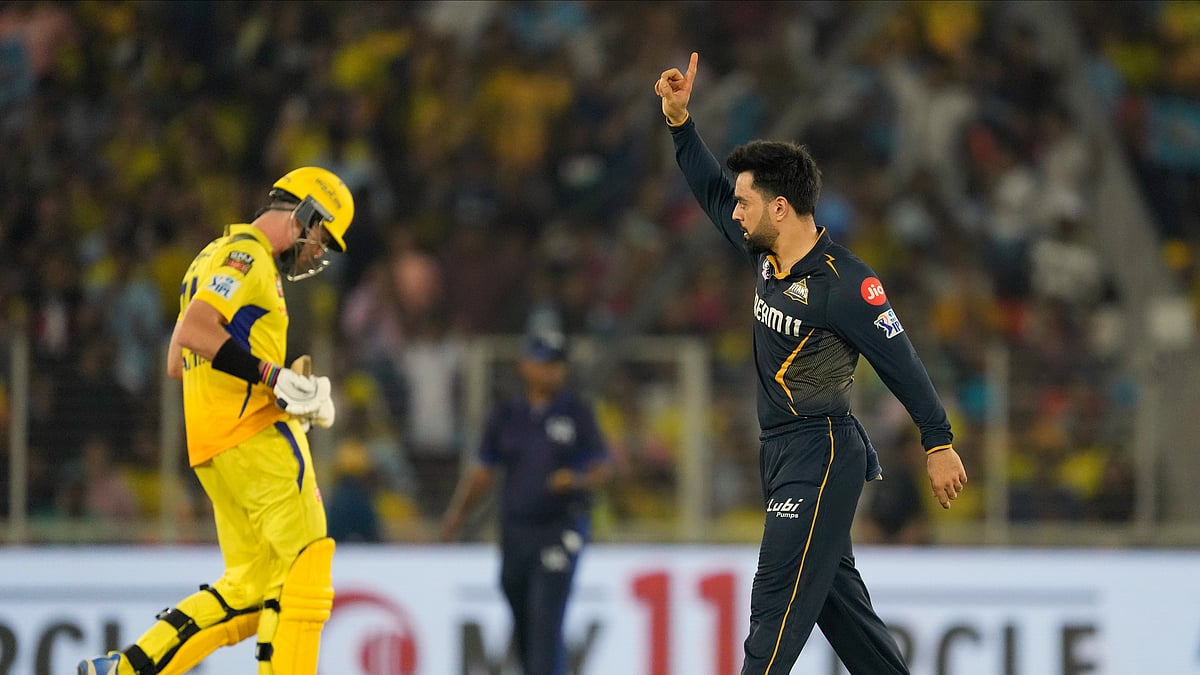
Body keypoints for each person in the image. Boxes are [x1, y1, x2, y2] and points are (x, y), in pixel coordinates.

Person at [655, 53, 968, 674]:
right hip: (780, 451)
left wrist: (938, 441)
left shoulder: (845, 285)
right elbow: (711, 189)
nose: (734, 211)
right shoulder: (766, 257)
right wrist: (680, 122)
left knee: (775, 596)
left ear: (779, 208)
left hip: (821, 450)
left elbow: (899, 359)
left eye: (746, 202)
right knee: (839, 609)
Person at [78, 166, 354, 675]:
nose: (319, 253)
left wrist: (289, 389)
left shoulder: (210, 255)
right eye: (323, 237)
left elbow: (176, 361)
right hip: (256, 440)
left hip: (216, 448)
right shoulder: (247, 255)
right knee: (303, 575)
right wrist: (275, 380)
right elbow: (195, 331)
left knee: (248, 592)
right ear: (306, 215)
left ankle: (126, 669)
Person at [440, 330, 611, 675]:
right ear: (526, 365)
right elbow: (482, 473)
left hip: (561, 526)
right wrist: (456, 515)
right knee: (518, 604)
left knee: (546, 612)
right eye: (545, 363)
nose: (552, 371)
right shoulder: (506, 415)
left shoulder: (576, 412)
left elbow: (602, 466)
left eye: (557, 364)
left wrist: (575, 479)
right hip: (516, 530)